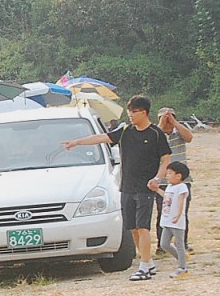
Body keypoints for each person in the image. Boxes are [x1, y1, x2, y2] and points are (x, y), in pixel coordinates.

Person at [63, 95, 171, 281]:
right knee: (133, 228)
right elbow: (102, 137)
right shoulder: (125, 131)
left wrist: (158, 178)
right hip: (127, 186)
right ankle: (148, 261)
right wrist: (77, 142)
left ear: (144, 112)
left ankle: (144, 266)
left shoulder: (155, 133)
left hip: (146, 188)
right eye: (129, 111)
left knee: (143, 226)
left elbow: (166, 159)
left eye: (134, 111)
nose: (130, 115)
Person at [153, 107, 193, 254]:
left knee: (182, 212)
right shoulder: (157, 134)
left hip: (182, 179)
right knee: (163, 212)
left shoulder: (179, 132)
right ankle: (162, 245)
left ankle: (182, 243)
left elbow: (189, 137)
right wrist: (161, 125)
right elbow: (150, 141)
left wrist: (175, 123)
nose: (168, 121)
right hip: (164, 180)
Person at [157, 161, 191, 278]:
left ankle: (182, 268)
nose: (167, 176)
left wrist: (178, 215)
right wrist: (156, 189)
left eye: (169, 173)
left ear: (178, 176)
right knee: (164, 244)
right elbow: (166, 197)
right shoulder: (170, 187)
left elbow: (181, 201)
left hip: (177, 221)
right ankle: (181, 258)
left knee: (179, 244)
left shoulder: (182, 187)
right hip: (167, 220)